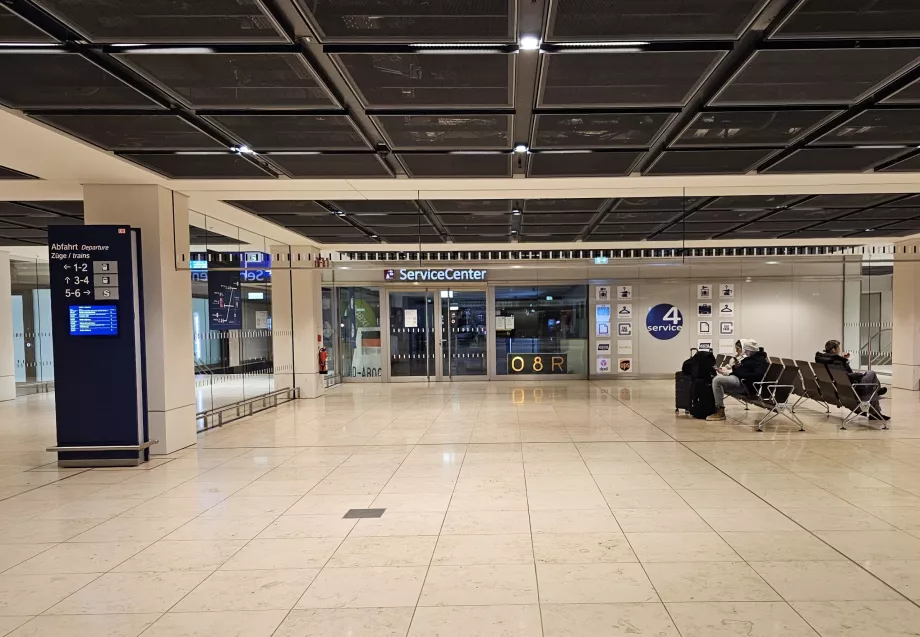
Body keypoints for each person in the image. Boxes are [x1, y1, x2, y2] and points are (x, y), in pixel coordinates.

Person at [815, 340, 889, 421]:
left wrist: (843, 360)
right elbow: (846, 376)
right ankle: (877, 392)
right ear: (833, 350)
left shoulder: (824, 360)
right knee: (871, 373)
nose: (839, 349)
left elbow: (840, 375)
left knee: (872, 385)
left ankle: (876, 401)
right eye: (838, 348)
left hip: (841, 389)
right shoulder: (836, 361)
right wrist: (859, 374)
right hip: (854, 388)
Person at [706, 339, 769, 421]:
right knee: (714, 381)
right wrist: (736, 368)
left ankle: (720, 410)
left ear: (751, 350)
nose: (745, 352)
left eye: (746, 350)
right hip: (739, 381)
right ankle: (712, 408)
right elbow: (743, 370)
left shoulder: (760, 360)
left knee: (717, 380)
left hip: (745, 385)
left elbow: (758, 375)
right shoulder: (751, 358)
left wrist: (739, 373)